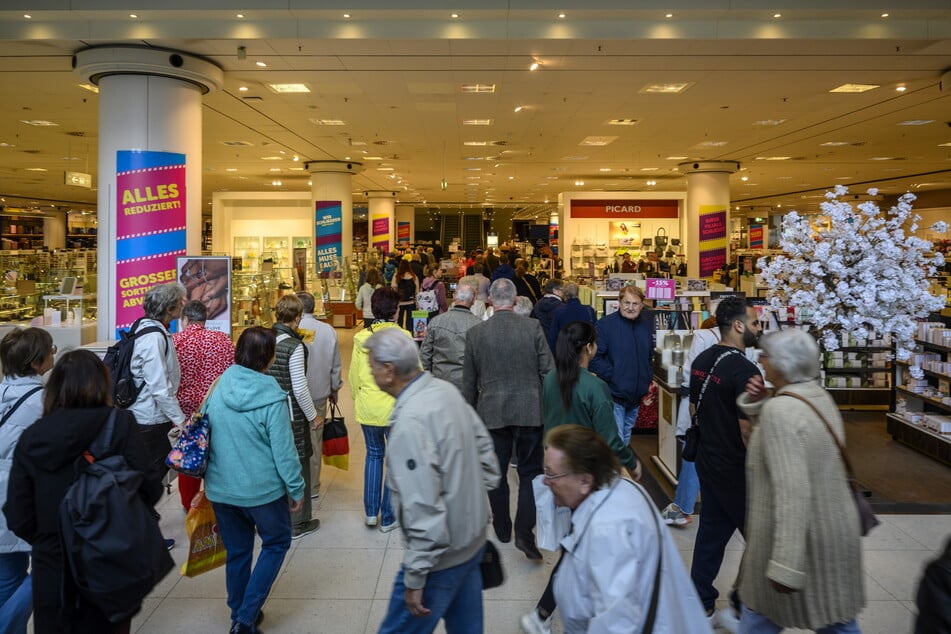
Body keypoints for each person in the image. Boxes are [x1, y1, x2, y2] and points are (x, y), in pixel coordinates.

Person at [3, 349, 163, 634]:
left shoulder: (33, 435)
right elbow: (150, 485)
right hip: (110, 556)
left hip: (53, 566)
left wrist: (48, 539)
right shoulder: (119, 424)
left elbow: (17, 511)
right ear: (104, 382)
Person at [365, 328, 501, 634]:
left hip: (440, 560)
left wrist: (416, 577)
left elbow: (422, 508)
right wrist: (471, 500)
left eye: (372, 365)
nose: (370, 372)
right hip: (472, 542)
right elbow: (487, 460)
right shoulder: (445, 391)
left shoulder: (410, 423)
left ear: (389, 371)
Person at [735, 328, 865, 633]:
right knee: (835, 616)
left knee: (759, 617)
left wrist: (785, 565)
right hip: (833, 533)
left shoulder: (782, 411)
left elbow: (792, 491)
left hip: (800, 542)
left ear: (782, 363)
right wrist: (763, 402)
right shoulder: (817, 396)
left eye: (765, 356)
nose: (761, 361)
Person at [521, 322, 641, 634]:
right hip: (587, 478)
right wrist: (633, 463)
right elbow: (611, 442)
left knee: (578, 544)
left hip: (558, 475)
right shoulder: (594, 388)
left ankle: (546, 613)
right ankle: (544, 613)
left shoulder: (551, 379)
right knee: (579, 547)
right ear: (588, 348)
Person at [543, 425, 711, 634]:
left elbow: (617, 625)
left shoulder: (607, 532)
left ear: (585, 480)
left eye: (552, 474)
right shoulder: (622, 488)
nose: (545, 480)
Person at [203, 327, 305, 634]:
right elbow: (284, 452)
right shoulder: (272, 396)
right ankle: (245, 618)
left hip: (221, 488)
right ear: (269, 358)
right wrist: (296, 488)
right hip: (262, 492)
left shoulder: (219, 385)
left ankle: (238, 609)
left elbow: (204, 433)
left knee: (237, 551)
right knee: (275, 543)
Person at [463, 278, 553, 560]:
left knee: (496, 472)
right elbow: (548, 371)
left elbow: (468, 382)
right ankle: (525, 532)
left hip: (491, 412)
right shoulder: (533, 327)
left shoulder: (476, 333)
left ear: (489, 300)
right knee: (529, 472)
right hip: (530, 411)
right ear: (514, 301)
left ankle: (503, 529)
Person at [689, 296, 762, 630]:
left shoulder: (702, 359)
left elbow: (694, 411)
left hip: (707, 458)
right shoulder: (746, 370)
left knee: (712, 531)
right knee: (761, 536)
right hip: (735, 467)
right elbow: (747, 428)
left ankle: (700, 598)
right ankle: (743, 604)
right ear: (738, 326)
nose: (758, 329)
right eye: (755, 323)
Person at [0, 328, 54, 634]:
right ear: (35, 362)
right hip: (29, 498)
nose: (53, 354)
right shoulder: (45, 403)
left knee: (7, 574)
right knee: (50, 565)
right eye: (50, 349)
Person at [350, 287, 413, 532]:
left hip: (369, 407)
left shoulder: (361, 338)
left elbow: (354, 376)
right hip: (395, 409)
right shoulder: (404, 337)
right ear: (395, 311)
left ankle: (370, 513)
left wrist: (359, 399)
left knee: (374, 455)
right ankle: (388, 517)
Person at [129, 281, 187, 550]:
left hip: (148, 417)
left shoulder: (146, 329)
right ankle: (143, 535)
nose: (182, 305)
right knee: (150, 477)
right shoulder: (153, 337)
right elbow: (159, 387)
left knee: (150, 475)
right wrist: (180, 420)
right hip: (149, 419)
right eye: (179, 302)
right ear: (169, 307)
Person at [267, 295, 321, 540]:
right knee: (298, 462)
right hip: (292, 414)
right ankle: (298, 521)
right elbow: (299, 386)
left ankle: (272, 518)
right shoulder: (294, 346)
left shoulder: (266, 339)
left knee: (274, 463)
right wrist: (313, 416)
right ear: (298, 317)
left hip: (268, 410)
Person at [172, 300, 234, 512]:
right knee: (217, 456)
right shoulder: (222, 341)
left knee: (188, 458)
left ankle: (189, 505)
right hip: (217, 408)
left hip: (187, 412)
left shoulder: (175, 342)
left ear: (185, 319)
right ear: (205, 319)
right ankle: (217, 499)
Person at [662, 315, 719, 527]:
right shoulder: (736, 340)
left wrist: (687, 388)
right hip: (720, 409)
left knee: (692, 456)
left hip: (698, 407)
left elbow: (691, 368)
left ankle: (682, 508)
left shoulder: (702, 336)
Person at [589, 285, 654, 446]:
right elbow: (594, 358)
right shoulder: (605, 325)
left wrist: (647, 379)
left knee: (625, 436)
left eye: (635, 304)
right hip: (614, 394)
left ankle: (617, 469)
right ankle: (615, 470)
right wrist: (614, 376)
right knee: (615, 440)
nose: (630, 308)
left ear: (642, 305)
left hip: (636, 396)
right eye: (627, 303)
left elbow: (648, 356)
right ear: (619, 302)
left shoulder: (645, 325)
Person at [297, 291, 343, 502]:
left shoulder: (291, 330)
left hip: (293, 396)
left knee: (293, 439)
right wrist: (334, 389)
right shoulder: (328, 330)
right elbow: (335, 365)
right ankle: (313, 486)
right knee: (315, 441)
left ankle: (295, 485)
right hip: (318, 393)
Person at [419, 283, 481, 393]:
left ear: (453, 297)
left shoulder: (436, 322)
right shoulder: (479, 326)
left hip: (440, 381)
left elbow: (425, 355)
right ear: (473, 301)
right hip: (467, 384)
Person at [547, 283, 597, 352]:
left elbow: (553, 336)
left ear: (564, 295)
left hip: (565, 351)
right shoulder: (589, 310)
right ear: (578, 293)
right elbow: (595, 332)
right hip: (584, 351)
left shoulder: (558, 311)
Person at [531, 278, 565, 353]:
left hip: (539, 344)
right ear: (555, 290)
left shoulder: (537, 305)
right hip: (557, 346)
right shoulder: (561, 307)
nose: (564, 292)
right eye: (562, 289)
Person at [392, 258, 420, 332]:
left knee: (399, 321)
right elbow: (417, 291)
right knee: (410, 322)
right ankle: (409, 336)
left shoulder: (396, 276)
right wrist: (417, 304)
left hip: (400, 302)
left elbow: (393, 288)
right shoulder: (414, 276)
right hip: (411, 302)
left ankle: (400, 337)